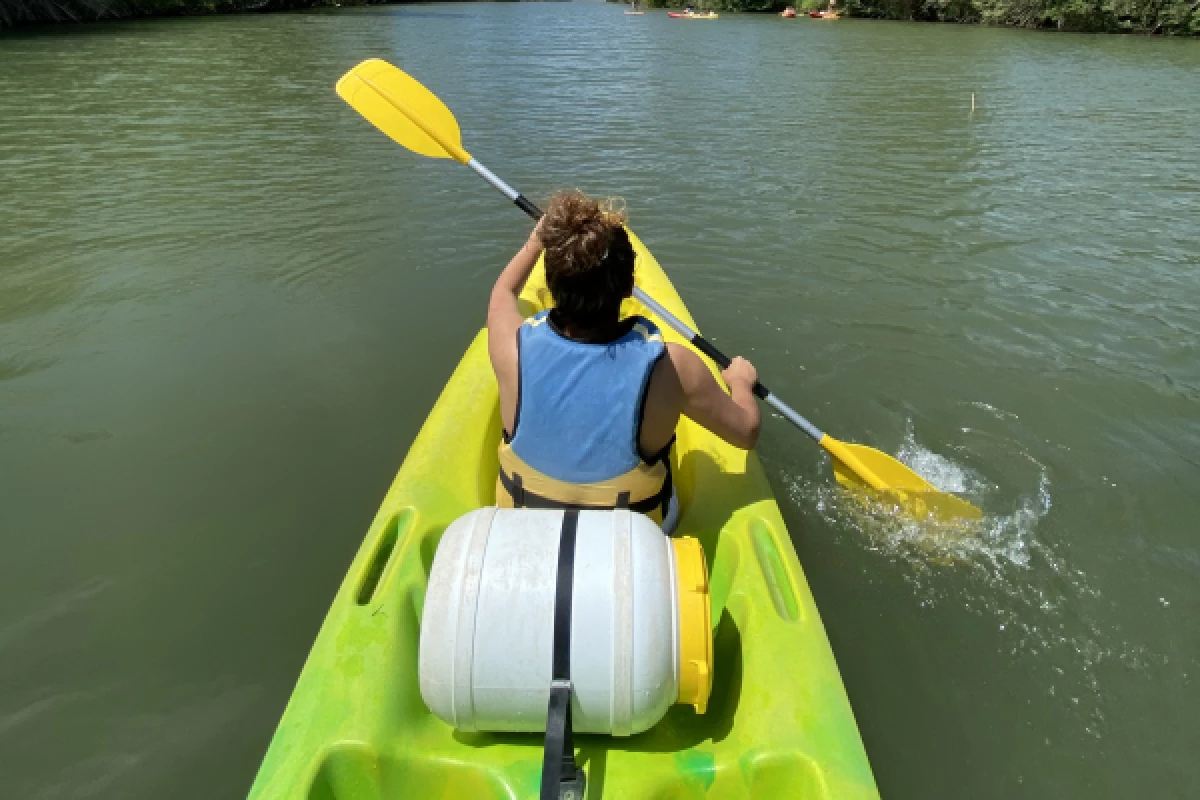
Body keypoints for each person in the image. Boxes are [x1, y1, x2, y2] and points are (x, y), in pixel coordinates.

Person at [488, 191, 760, 533]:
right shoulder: (674, 369)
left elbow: (502, 295)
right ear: (629, 287)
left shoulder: (511, 348)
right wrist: (739, 382)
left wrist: (535, 241)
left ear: (551, 285)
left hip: (521, 535)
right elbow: (746, 432)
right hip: (634, 546)